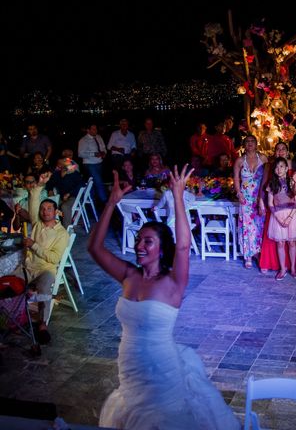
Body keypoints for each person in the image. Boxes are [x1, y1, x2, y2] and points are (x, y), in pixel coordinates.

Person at [88, 165, 240, 430]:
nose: (139, 245)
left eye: (147, 241)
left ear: (160, 250)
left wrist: (178, 197)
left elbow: (183, 245)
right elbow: (94, 248)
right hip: (130, 372)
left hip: (163, 372)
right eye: (138, 240)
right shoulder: (128, 275)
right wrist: (111, 203)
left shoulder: (173, 283)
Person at [13, 172, 69, 344]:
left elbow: (53, 258)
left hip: (45, 269)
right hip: (28, 266)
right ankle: (14, 318)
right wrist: (39, 184)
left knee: (45, 289)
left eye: (49, 209)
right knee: (9, 282)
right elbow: (34, 200)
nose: (45, 212)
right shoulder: (37, 223)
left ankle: (42, 324)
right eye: (43, 209)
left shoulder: (62, 234)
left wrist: (33, 245)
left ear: (56, 211)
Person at [233, 135, 268, 269]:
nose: (250, 143)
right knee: (247, 226)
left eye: (252, 141)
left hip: (260, 196)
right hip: (246, 198)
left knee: (259, 225)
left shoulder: (263, 159)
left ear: (256, 143)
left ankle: (258, 253)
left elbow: (266, 178)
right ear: (244, 144)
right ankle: (247, 254)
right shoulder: (240, 161)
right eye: (247, 141)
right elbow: (236, 178)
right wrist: (239, 193)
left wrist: (262, 197)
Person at [266, 158, 296, 280]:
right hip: (277, 215)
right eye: (277, 167)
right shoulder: (271, 184)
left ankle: (293, 268)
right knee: (280, 243)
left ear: (287, 169)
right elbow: (270, 203)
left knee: (292, 242)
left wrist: (289, 217)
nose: (279, 169)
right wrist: (279, 218)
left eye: (282, 166)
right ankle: (283, 269)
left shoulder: (292, 182)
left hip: (291, 215)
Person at [46, 157, 84, 227]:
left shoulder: (74, 173)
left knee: (65, 207)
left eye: (62, 164)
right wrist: (50, 190)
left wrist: (69, 193)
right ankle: (53, 227)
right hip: (61, 197)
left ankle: (67, 230)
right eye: (59, 164)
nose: (60, 165)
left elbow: (81, 186)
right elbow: (49, 183)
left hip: (74, 197)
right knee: (49, 205)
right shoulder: (57, 174)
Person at [78, 124, 108, 203]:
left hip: (99, 163)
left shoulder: (99, 137)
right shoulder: (83, 140)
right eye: (93, 129)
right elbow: (80, 154)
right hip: (90, 164)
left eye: (96, 129)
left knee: (93, 182)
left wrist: (104, 153)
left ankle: (91, 199)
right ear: (88, 130)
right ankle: (104, 200)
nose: (95, 130)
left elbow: (103, 147)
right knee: (98, 181)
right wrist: (94, 154)